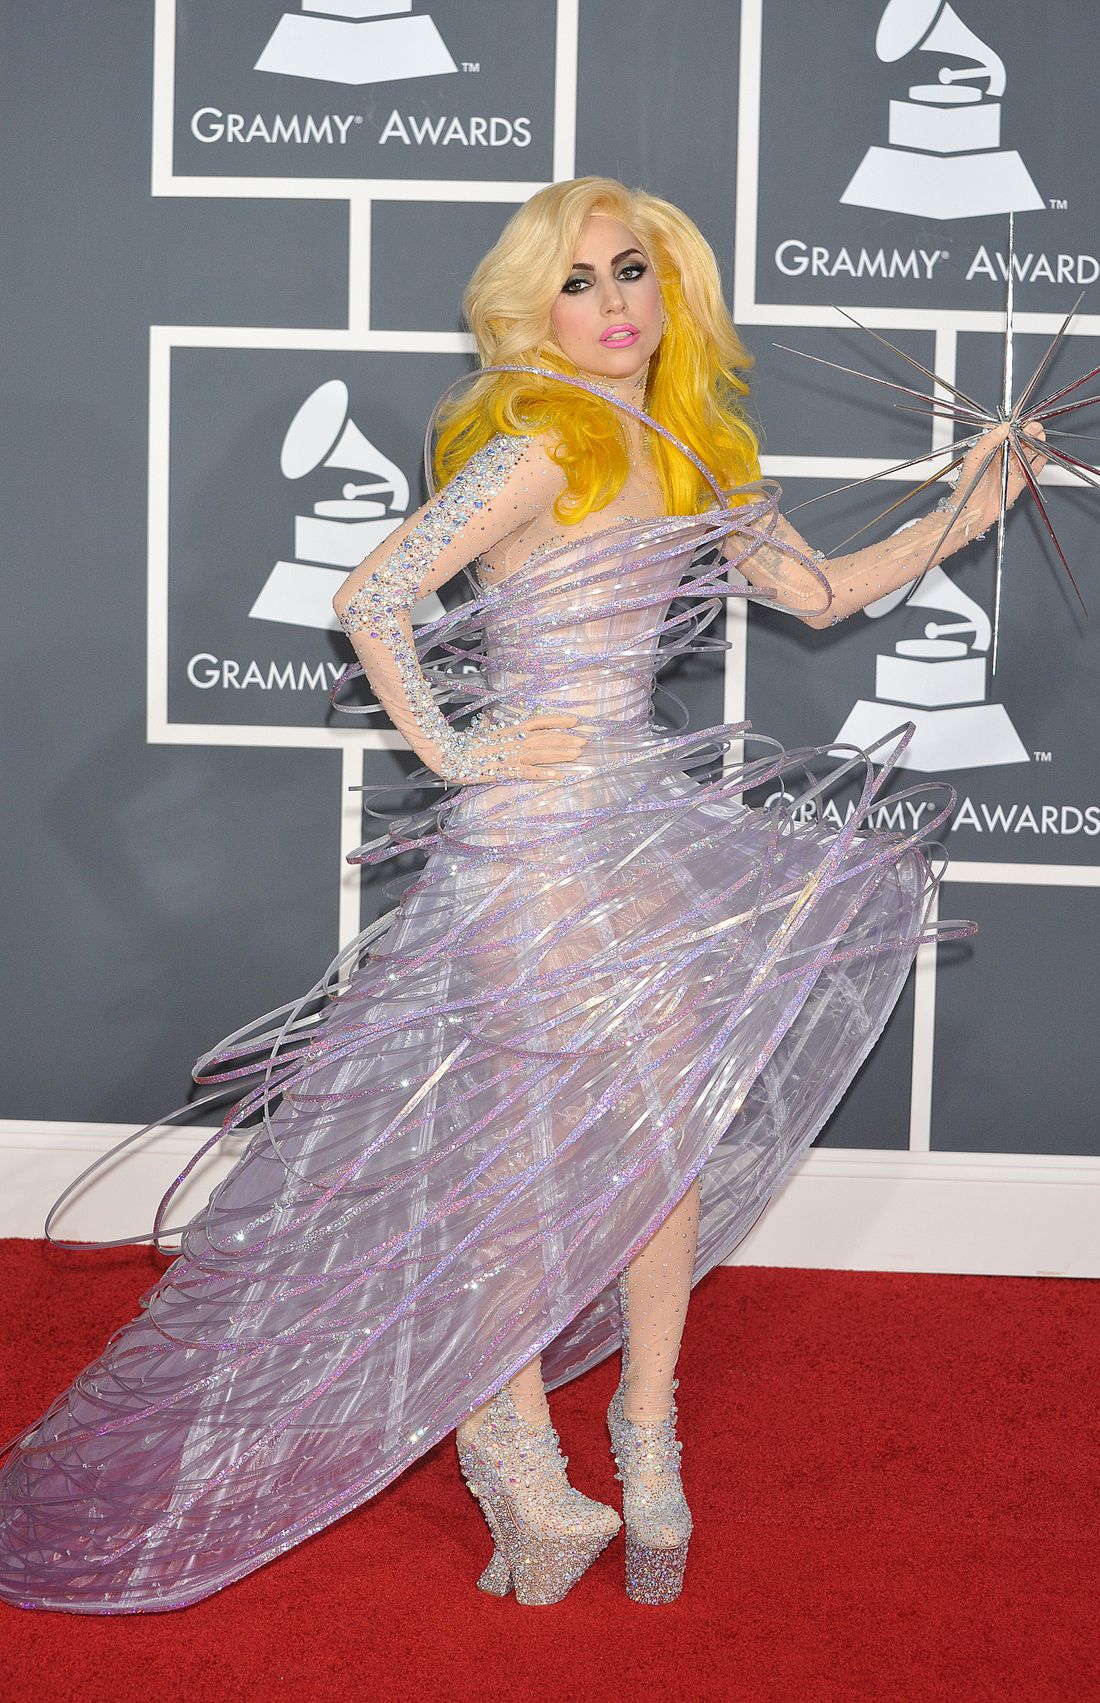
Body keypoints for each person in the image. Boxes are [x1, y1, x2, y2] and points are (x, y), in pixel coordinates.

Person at [0, 176, 1038, 1616]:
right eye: (582, 281)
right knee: (517, 1174)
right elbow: (375, 593)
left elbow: (816, 594)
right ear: (532, 306)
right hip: (538, 850)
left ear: (674, 292)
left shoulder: (700, 446)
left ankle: (647, 1441)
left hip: (644, 835)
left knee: (659, 1150)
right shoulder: (537, 445)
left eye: (637, 274)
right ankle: (530, 1477)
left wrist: (969, 504)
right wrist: (460, 745)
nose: (616, 306)